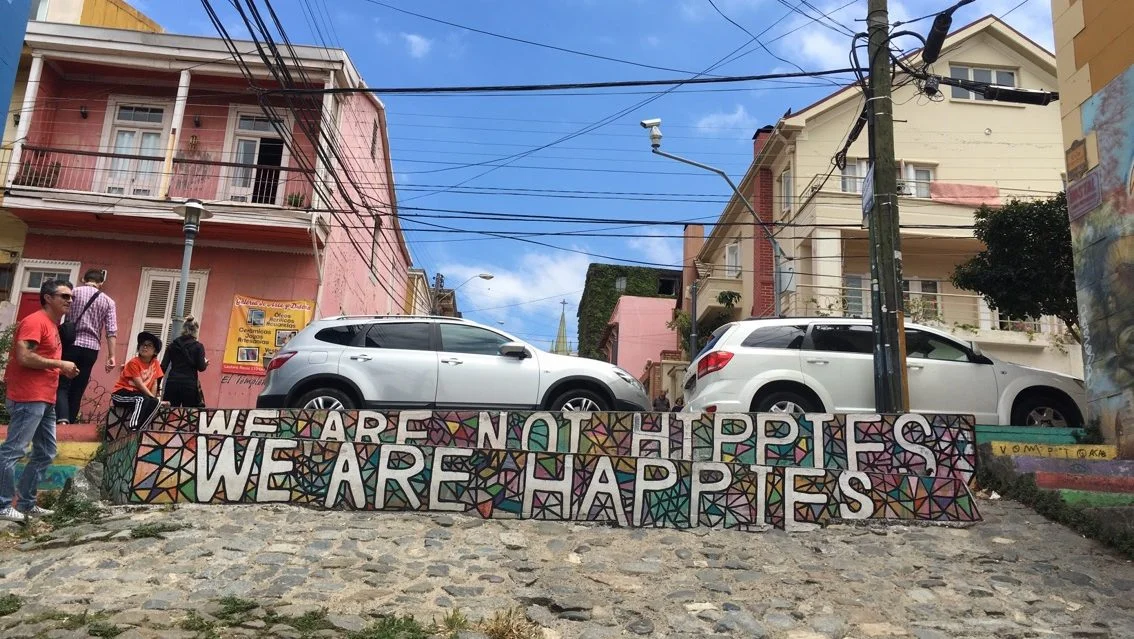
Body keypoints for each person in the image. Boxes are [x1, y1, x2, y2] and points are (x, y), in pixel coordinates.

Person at [1, 279, 80, 522]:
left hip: (45, 398)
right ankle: (3, 505)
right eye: (64, 296)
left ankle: (26, 503)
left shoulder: (52, 325)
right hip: (28, 396)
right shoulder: (35, 321)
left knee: (46, 451)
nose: (69, 300)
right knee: (13, 450)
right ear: (47, 297)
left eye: (71, 297)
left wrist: (61, 369)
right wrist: (60, 364)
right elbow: (24, 356)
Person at [56, 269, 117, 425]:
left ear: (83, 279)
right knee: (78, 388)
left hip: (70, 343)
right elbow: (111, 331)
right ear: (101, 283)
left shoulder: (73, 293)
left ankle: (62, 419)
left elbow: (58, 313)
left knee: (62, 384)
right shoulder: (108, 301)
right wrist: (111, 356)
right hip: (91, 349)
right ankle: (70, 423)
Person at [110, 332, 167, 431]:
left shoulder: (155, 364)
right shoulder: (134, 363)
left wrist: (154, 399)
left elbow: (154, 383)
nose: (144, 347)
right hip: (121, 394)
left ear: (155, 352)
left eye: (149, 345)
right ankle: (133, 428)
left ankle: (142, 428)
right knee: (141, 399)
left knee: (155, 403)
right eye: (143, 344)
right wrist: (150, 397)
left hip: (139, 395)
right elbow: (139, 384)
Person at [161, 316, 209, 408]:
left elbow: (163, 367)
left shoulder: (172, 345)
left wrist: (157, 384)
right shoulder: (198, 346)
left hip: (172, 383)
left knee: (170, 415)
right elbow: (201, 368)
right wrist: (205, 364)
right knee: (189, 415)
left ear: (183, 329)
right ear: (195, 331)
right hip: (189, 385)